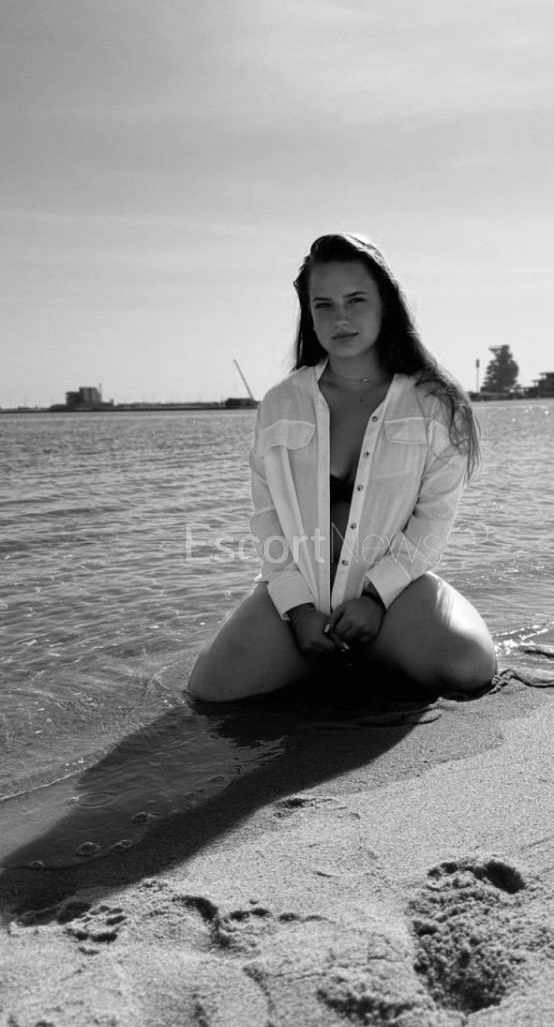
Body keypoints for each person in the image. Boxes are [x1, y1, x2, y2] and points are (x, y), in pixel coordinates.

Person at [188, 233, 496, 702]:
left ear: (385, 304)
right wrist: (298, 610)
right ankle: (327, 651)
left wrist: (375, 599)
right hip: (300, 598)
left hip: (393, 597)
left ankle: (375, 650)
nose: (341, 318)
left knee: (468, 666)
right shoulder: (280, 404)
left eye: (355, 300)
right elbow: (267, 520)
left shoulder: (434, 405)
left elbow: (432, 521)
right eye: (324, 305)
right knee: (212, 690)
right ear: (309, 315)